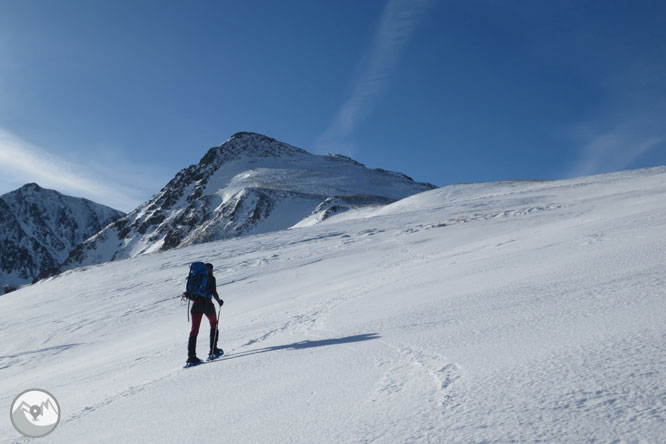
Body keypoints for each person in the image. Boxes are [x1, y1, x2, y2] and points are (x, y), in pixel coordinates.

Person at [186, 263, 224, 365]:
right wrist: (219, 301)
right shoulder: (211, 278)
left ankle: (191, 357)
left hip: (195, 306)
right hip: (207, 305)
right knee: (214, 324)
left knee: (194, 330)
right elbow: (214, 292)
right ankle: (213, 350)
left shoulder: (195, 277)